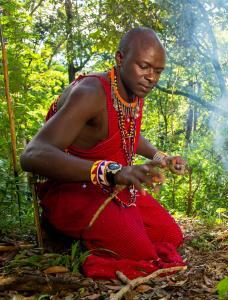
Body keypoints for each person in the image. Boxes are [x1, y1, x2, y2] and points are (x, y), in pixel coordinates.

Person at [21, 27, 186, 279]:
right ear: (120, 59)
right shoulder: (90, 93)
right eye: (144, 67)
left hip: (114, 188)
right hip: (75, 190)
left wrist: (159, 157)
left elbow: (124, 131)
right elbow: (32, 154)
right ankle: (62, 233)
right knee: (141, 254)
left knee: (172, 236)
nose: (151, 77)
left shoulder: (132, 89)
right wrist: (112, 171)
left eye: (158, 71)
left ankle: (107, 228)